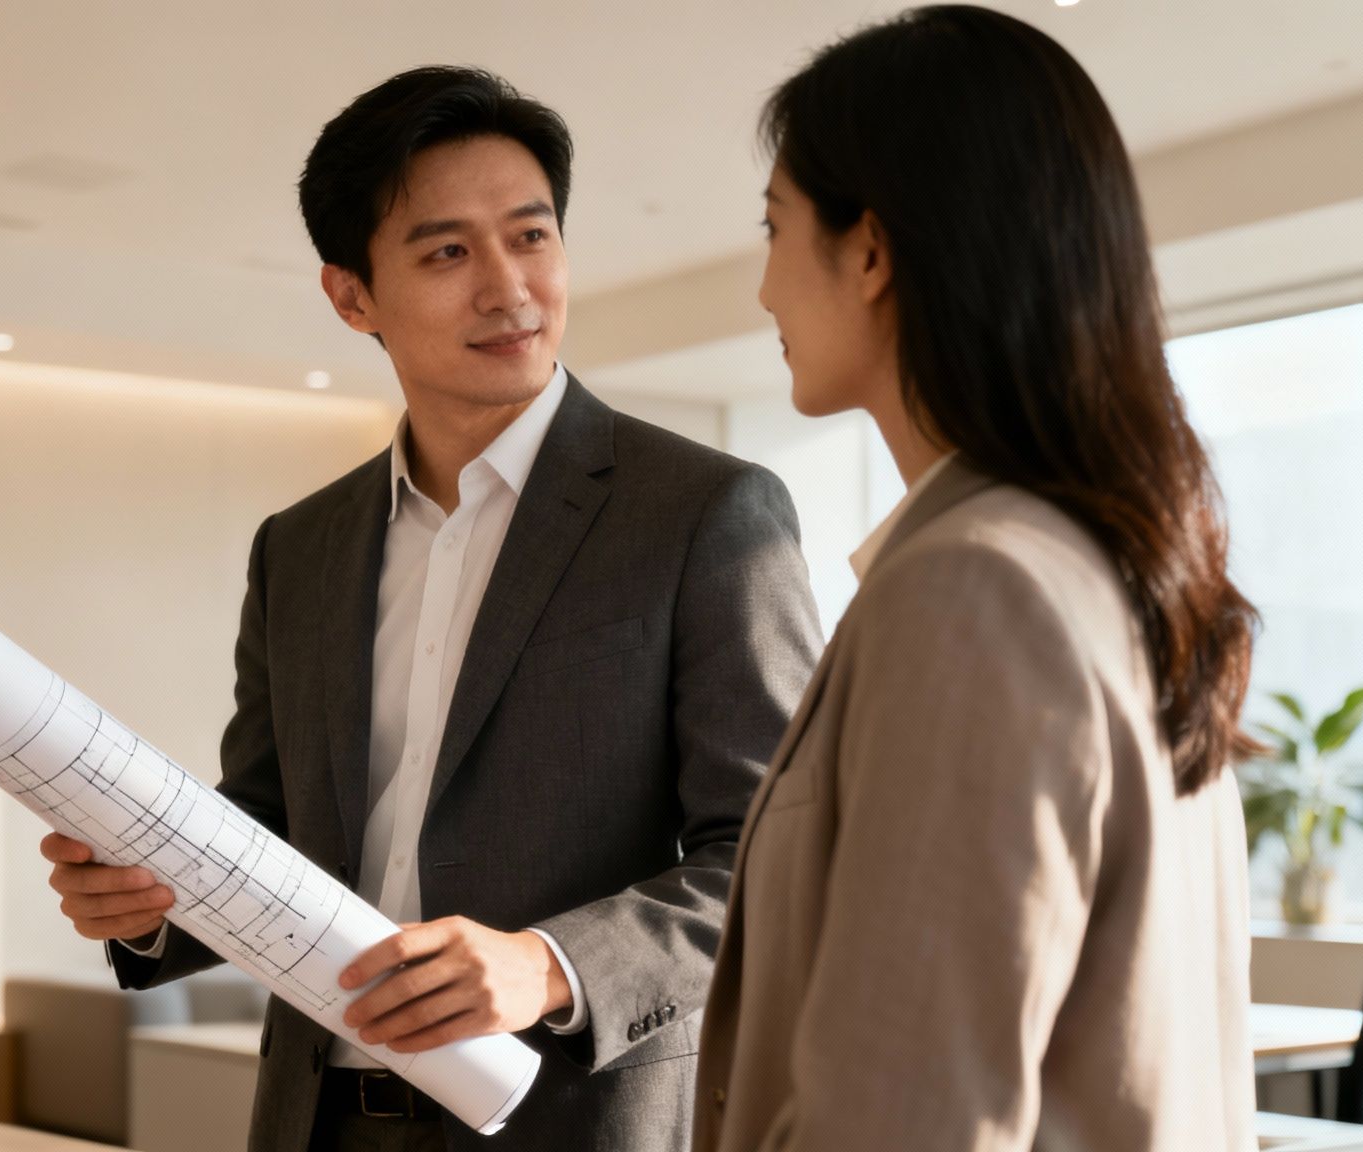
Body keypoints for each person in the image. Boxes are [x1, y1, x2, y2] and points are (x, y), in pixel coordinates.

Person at [41, 66, 822, 1151]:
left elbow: (784, 861)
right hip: (317, 1122)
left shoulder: (707, 514)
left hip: (570, 1122)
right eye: (447, 251)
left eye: (531, 236)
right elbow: (271, 829)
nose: (508, 288)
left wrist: (547, 966)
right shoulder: (299, 550)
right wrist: (156, 899)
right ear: (351, 295)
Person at [692, 7, 1260, 1151]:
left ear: (869, 248)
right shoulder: (1102, 566)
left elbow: (905, 1120)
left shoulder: (973, 593)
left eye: (773, 228)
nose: (759, 290)